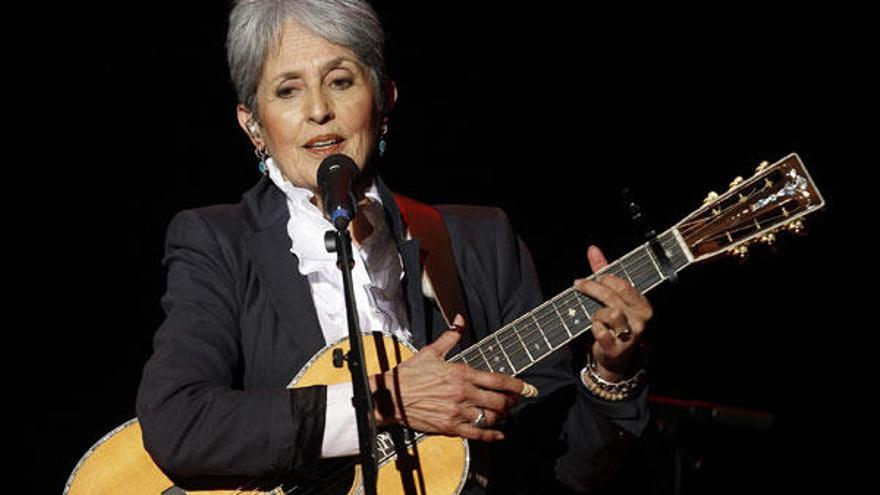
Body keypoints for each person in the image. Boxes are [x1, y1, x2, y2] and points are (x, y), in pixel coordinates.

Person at [136, 1, 654, 493]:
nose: (319, 110)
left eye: (340, 82)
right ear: (253, 125)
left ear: (383, 101)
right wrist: (381, 402)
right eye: (288, 91)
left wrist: (610, 373)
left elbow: (564, 469)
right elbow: (179, 422)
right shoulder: (218, 242)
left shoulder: (481, 241)